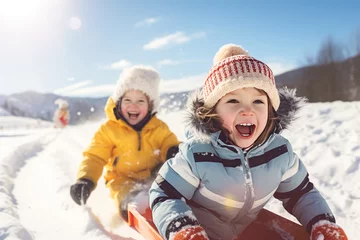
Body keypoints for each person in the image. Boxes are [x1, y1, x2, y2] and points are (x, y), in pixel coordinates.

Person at [149, 44, 348, 240]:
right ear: (213, 112)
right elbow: (164, 194)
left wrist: (323, 223)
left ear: (271, 111)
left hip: (244, 230)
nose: (247, 110)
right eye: (233, 101)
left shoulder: (280, 153)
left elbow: (301, 194)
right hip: (202, 231)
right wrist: (184, 230)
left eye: (258, 101)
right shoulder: (198, 154)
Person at [70, 65, 180, 221]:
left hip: (153, 175)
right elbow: (94, 156)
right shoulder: (109, 129)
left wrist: (173, 150)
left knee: (172, 184)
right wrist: (85, 179)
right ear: (118, 103)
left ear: (150, 106)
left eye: (140, 101)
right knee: (129, 199)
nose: (133, 105)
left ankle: (175, 208)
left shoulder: (158, 127)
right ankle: (137, 209)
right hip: (122, 180)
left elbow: (170, 142)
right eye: (127, 100)